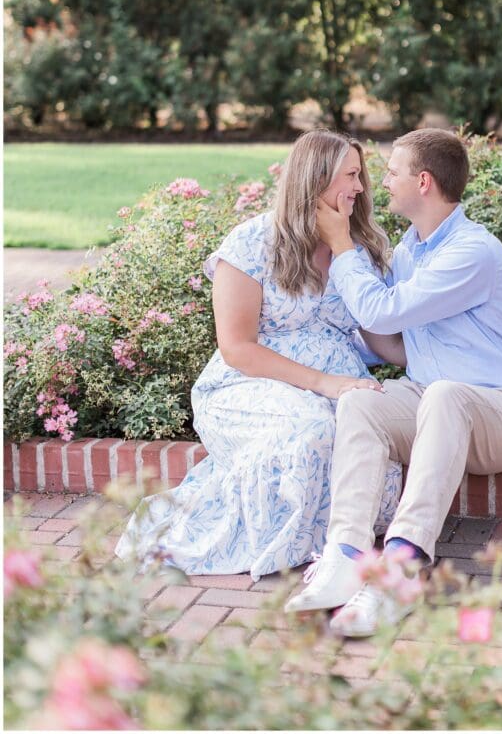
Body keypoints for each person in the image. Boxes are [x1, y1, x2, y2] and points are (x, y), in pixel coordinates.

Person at [115, 131, 403, 581]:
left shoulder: (356, 245)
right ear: (317, 178)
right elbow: (238, 348)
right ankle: (299, 543)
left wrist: (435, 360)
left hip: (337, 383)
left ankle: (331, 541)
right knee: (313, 430)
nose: (361, 187)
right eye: (351, 175)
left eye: (360, 175)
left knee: (365, 437)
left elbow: (378, 332)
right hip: (248, 383)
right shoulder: (251, 243)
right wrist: (327, 384)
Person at [285, 128, 502, 636]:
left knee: (445, 394)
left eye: (393, 171)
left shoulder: (472, 251)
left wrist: (341, 247)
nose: (382, 180)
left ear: (423, 182)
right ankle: (346, 555)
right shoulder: (409, 253)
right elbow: (393, 343)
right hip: (433, 404)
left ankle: (399, 569)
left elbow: (383, 308)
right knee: (363, 402)